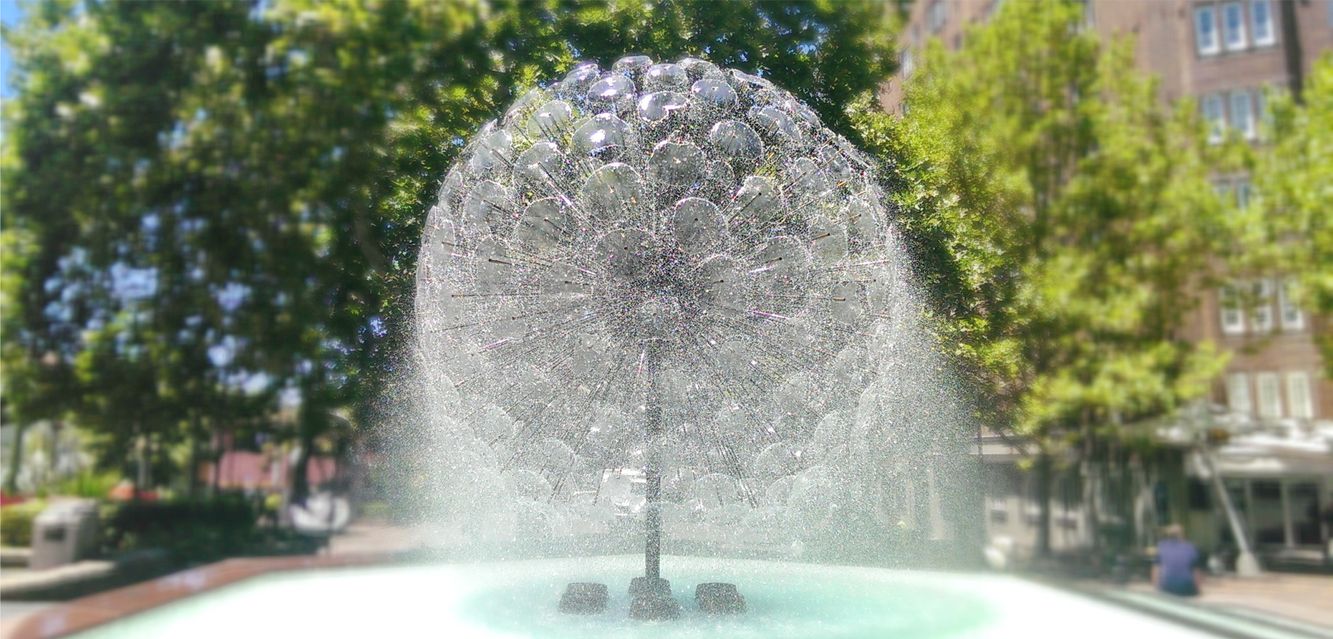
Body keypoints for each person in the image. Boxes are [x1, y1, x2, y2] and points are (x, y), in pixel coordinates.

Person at [1152, 524, 1202, 597]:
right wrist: (1197, 588)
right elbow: (1196, 571)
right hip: (1186, 586)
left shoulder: (1162, 547)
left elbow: (1156, 569)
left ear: (1168, 535)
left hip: (1167, 585)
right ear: (1182, 535)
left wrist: (1156, 586)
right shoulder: (1190, 548)